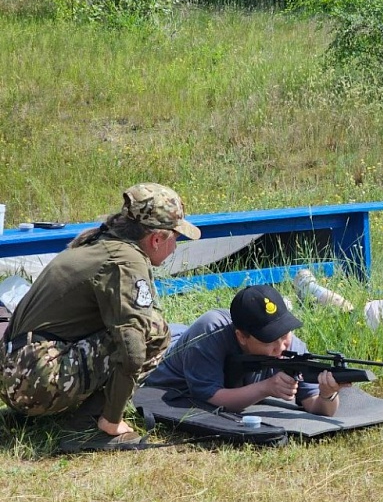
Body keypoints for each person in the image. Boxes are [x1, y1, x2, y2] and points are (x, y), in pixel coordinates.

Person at [0, 183, 200, 451]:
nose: (175, 246)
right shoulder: (126, 260)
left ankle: (66, 411)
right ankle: (94, 424)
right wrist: (113, 419)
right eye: (175, 237)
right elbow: (133, 350)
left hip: (16, 373)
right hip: (34, 381)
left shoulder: (100, 243)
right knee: (154, 329)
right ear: (156, 239)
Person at [144, 284, 346, 416]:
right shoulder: (210, 331)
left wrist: (327, 394)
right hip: (156, 353)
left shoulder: (293, 346)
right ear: (241, 337)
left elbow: (316, 407)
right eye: (269, 340)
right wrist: (267, 387)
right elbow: (210, 398)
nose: (281, 346)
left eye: (284, 334)